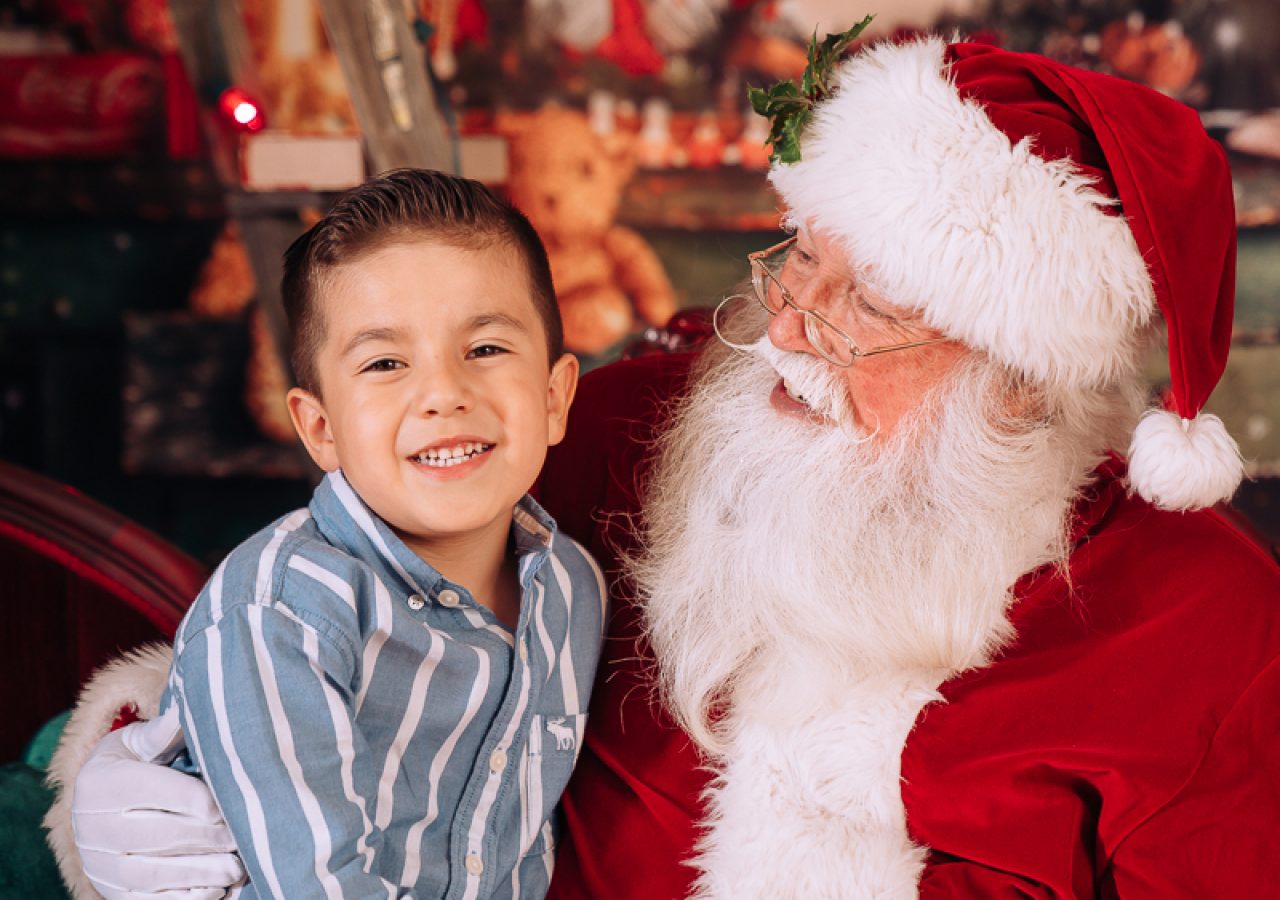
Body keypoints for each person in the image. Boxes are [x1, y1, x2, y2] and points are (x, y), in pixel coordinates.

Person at [58, 35, 1280, 899]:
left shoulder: (1200, 628)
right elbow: (326, 616)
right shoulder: (618, 431)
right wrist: (141, 761)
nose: (790, 328)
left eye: (873, 305)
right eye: (798, 259)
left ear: (1026, 377)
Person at [51, 169, 606, 899]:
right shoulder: (277, 617)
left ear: (555, 396)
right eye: (385, 363)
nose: (444, 393)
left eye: (486, 349)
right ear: (319, 428)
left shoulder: (574, 589)